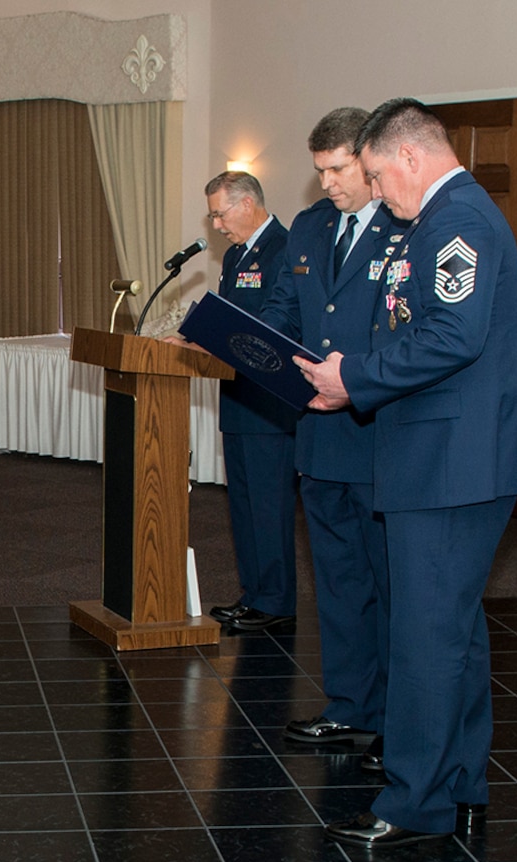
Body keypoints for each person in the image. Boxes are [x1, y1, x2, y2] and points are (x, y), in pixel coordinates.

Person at [297, 97, 517, 847]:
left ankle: (413, 802)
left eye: (372, 173)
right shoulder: (432, 221)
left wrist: (354, 378)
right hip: (442, 456)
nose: (373, 189)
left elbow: (450, 336)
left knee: (425, 637)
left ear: (408, 157)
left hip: (451, 462)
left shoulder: (456, 219)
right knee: (453, 635)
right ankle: (460, 784)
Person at [260, 107, 394, 755]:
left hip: (378, 435)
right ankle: (350, 704)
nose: (329, 183)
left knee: (390, 583)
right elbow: (285, 311)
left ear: (369, 160)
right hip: (317, 435)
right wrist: (239, 338)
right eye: (320, 172)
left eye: (339, 169)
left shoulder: (405, 227)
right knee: (338, 582)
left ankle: (398, 719)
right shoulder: (310, 228)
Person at [204, 169, 300, 631]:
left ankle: (277, 599)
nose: (217, 225)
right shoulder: (236, 255)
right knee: (241, 501)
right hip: (238, 394)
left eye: (220, 214)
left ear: (246, 204)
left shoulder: (283, 249)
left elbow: (277, 324)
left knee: (269, 503)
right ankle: (254, 593)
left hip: (269, 401)